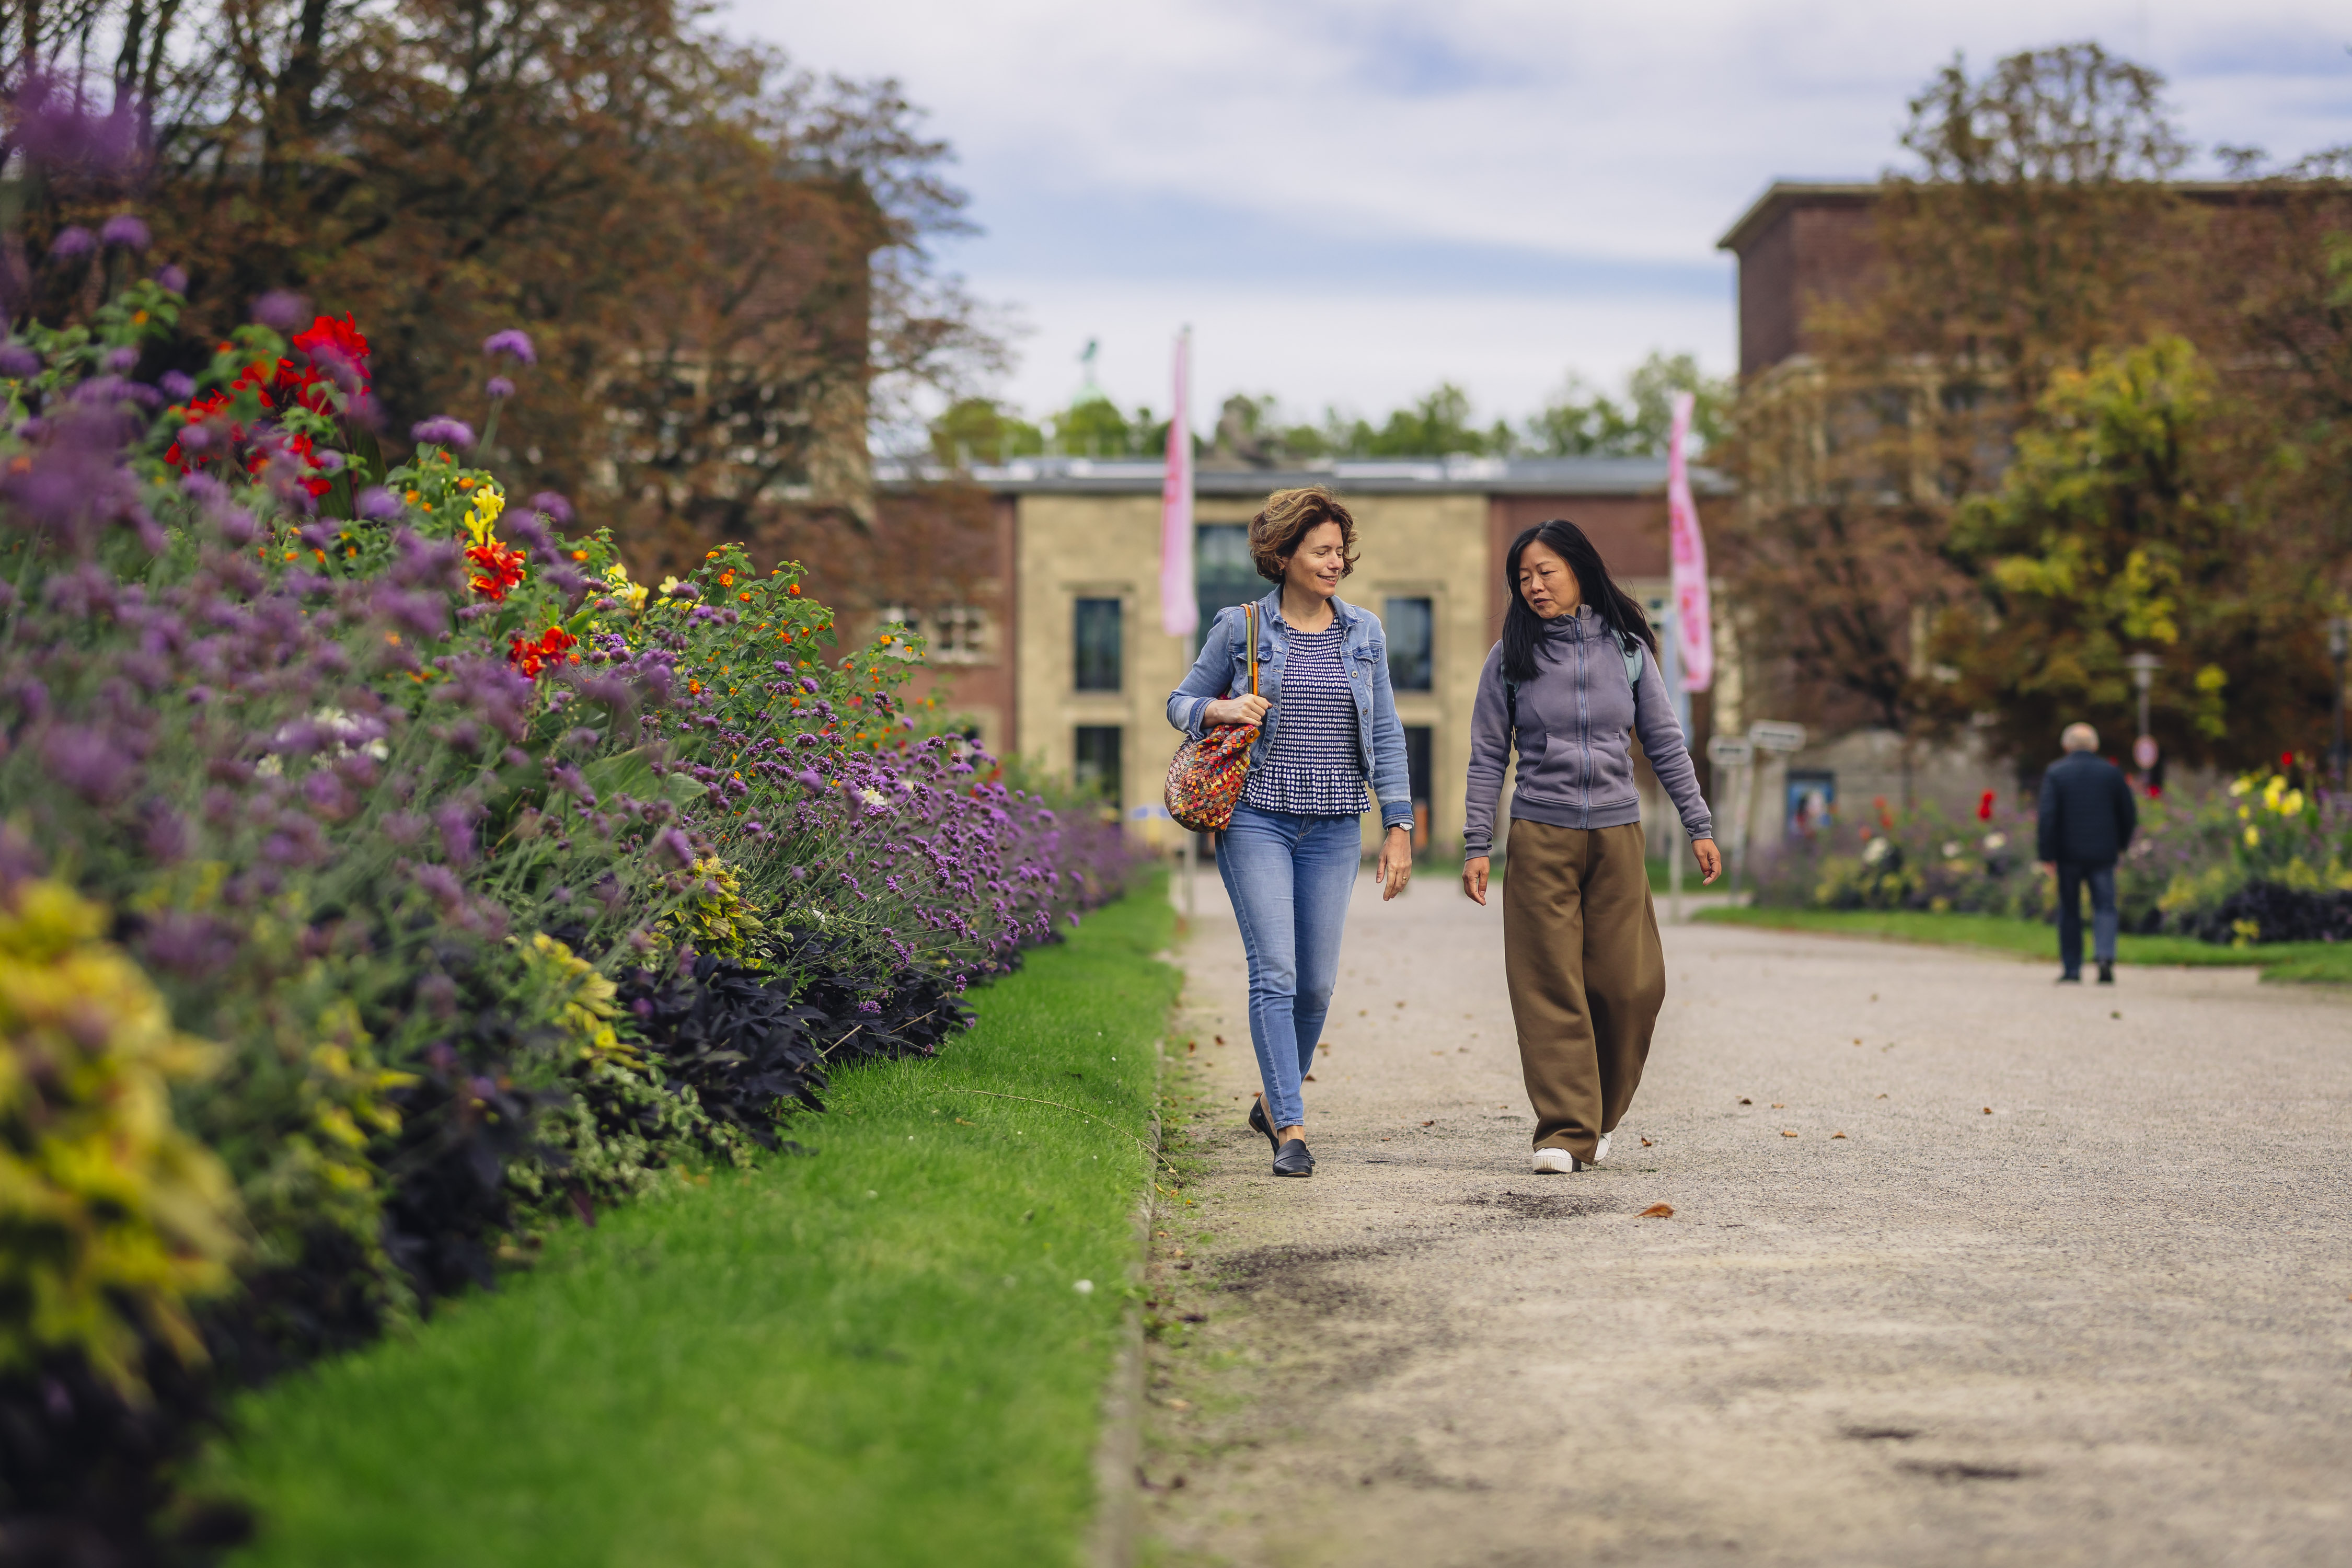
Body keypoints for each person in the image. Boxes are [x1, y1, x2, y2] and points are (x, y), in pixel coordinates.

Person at [1167, 486, 1414, 1179]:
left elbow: (1388, 732)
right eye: (1322, 551)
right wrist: (1220, 708)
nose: (1336, 562)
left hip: (1335, 824)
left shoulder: (1362, 633)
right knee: (1274, 972)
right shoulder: (1241, 627)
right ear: (1283, 555)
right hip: (1256, 818)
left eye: (1341, 551)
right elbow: (1178, 702)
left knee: (1316, 986)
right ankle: (1290, 1125)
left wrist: (1398, 824)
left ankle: (1271, 1099)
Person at [1460, 520, 1720, 1175]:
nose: (1535, 585)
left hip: (1616, 833)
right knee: (1550, 984)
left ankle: (1600, 1113)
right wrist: (1476, 843)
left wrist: (1699, 824)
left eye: (1546, 571)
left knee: (1631, 985)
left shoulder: (1628, 650)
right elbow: (1489, 754)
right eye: (1523, 577)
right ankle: (1565, 1130)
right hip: (1540, 834)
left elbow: (1663, 742)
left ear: (1579, 569)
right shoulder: (1509, 658)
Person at [2037, 722, 2138, 984]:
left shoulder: (2056, 773)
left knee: (2070, 909)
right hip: (2103, 854)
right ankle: (2104, 956)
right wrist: (2121, 845)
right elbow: (2128, 813)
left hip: (2068, 854)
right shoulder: (2111, 773)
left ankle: (2072, 968)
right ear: (2095, 746)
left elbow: (2048, 817)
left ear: (2066, 746)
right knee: (2105, 907)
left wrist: (2047, 854)